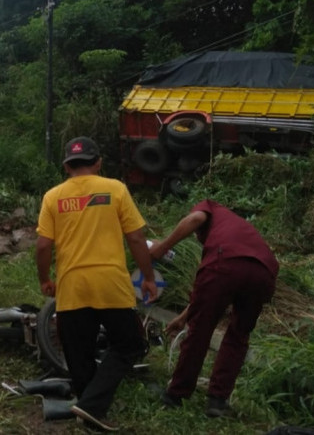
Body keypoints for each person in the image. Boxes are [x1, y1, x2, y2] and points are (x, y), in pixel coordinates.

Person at [35, 136, 158, 432]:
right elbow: (137, 238)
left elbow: (42, 246)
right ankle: (91, 409)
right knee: (130, 345)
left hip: (72, 285)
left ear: (66, 166)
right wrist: (149, 278)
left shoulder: (53, 196)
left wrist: (45, 279)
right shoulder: (115, 189)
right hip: (111, 284)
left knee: (79, 352)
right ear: (99, 162)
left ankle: (89, 405)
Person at [148, 199, 279, 417]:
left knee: (200, 331)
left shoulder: (209, 206)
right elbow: (207, 298)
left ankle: (176, 394)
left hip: (224, 263)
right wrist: (182, 317)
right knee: (238, 335)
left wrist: (162, 247)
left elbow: (196, 219)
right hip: (264, 272)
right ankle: (217, 402)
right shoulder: (238, 228)